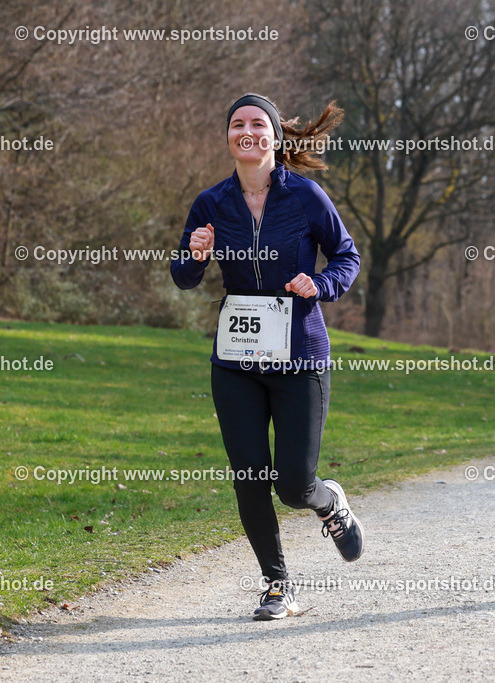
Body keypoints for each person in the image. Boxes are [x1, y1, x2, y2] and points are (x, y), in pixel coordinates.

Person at [170, 93, 364, 620]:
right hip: (236, 360)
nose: (247, 131)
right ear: (228, 137)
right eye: (238, 124)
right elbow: (183, 277)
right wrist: (196, 255)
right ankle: (278, 585)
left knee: (293, 484)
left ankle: (327, 501)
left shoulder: (305, 197)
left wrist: (319, 283)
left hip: (300, 355)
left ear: (276, 137)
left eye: (258, 124)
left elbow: (347, 256)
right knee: (250, 476)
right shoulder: (211, 204)